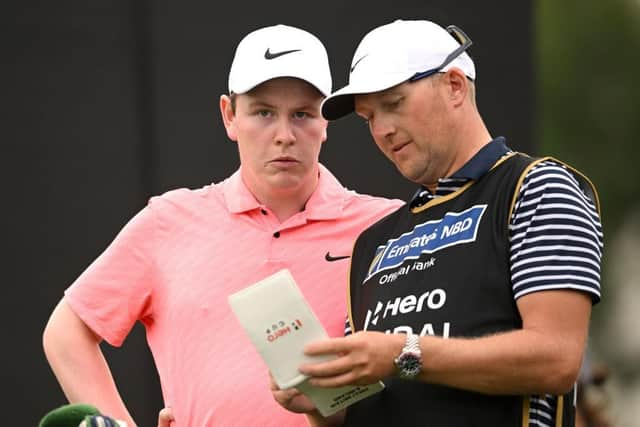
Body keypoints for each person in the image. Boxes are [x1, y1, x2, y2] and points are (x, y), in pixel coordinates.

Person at [42, 24, 403, 427]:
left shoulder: (386, 225)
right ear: (229, 116)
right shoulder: (169, 221)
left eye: (302, 114)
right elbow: (66, 332)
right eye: (264, 112)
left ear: (326, 123)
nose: (284, 135)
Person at [272, 19, 603, 426]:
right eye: (369, 117)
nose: (383, 130)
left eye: (394, 103)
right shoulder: (373, 242)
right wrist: (319, 402)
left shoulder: (534, 186)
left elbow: (557, 358)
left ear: (455, 86)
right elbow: (364, 410)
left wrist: (403, 353)